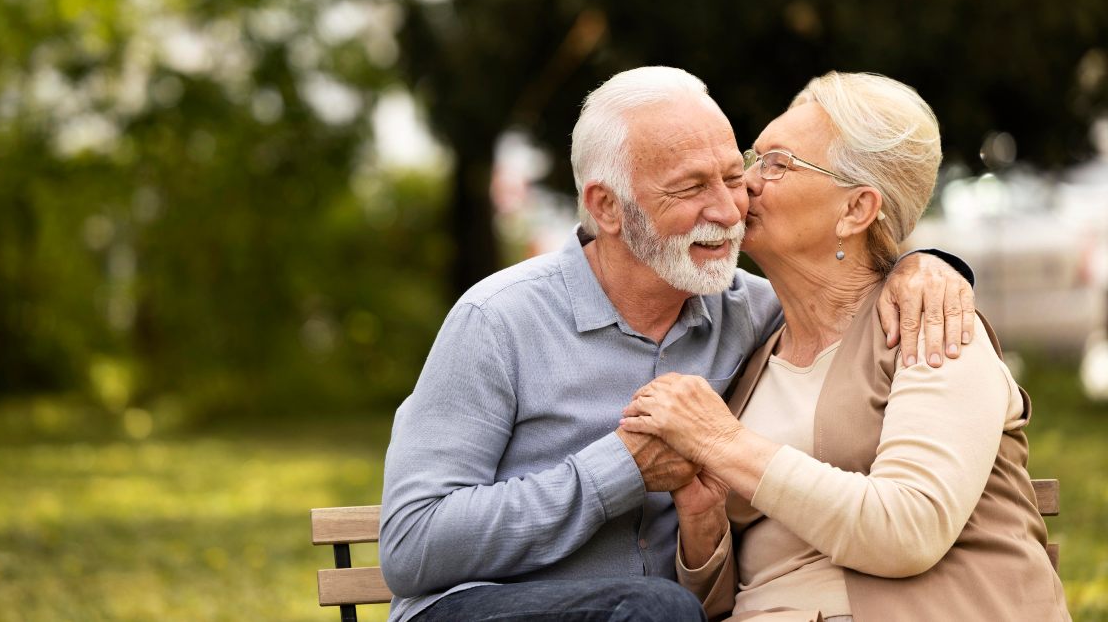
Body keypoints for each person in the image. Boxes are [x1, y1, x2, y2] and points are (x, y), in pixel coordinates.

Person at [380, 66, 976, 622]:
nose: (727, 209)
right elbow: (411, 544)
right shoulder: (497, 320)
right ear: (606, 206)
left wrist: (924, 265)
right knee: (653, 610)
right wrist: (620, 469)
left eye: (732, 177)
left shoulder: (756, 315)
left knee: (658, 610)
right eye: (689, 188)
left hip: (667, 613)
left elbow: (846, 285)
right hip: (489, 608)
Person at [620, 72, 1070, 621]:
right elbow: (714, 606)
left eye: (778, 164)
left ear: (856, 210)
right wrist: (702, 521)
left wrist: (723, 442)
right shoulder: (753, 350)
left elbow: (908, 529)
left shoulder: (932, 327)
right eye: (752, 159)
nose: (746, 184)